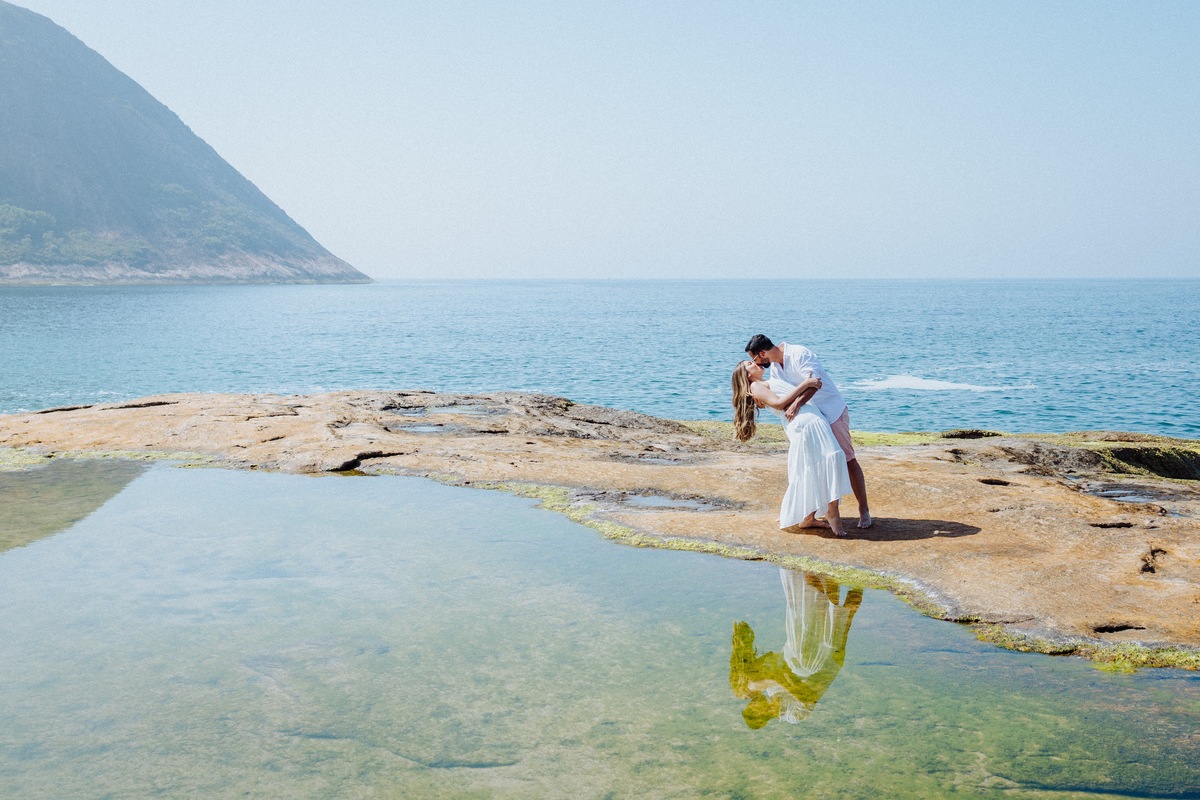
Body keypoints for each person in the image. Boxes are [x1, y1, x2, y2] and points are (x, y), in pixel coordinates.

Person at [745, 334, 872, 528]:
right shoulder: (776, 370)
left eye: (755, 359)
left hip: (831, 411)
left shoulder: (799, 353)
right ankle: (801, 511)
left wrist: (796, 405)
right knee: (809, 463)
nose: (757, 363)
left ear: (762, 353)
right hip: (811, 419)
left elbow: (814, 383)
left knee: (847, 459)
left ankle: (863, 510)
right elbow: (780, 394)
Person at [731, 360, 851, 536]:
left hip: (809, 419)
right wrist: (806, 384)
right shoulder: (755, 386)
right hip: (804, 423)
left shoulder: (765, 382)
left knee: (814, 467)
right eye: (750, 363)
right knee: (827, 460)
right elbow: (779, 403)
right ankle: (833, 513)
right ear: (747, 374)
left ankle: (808, 517)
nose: (756, 362)